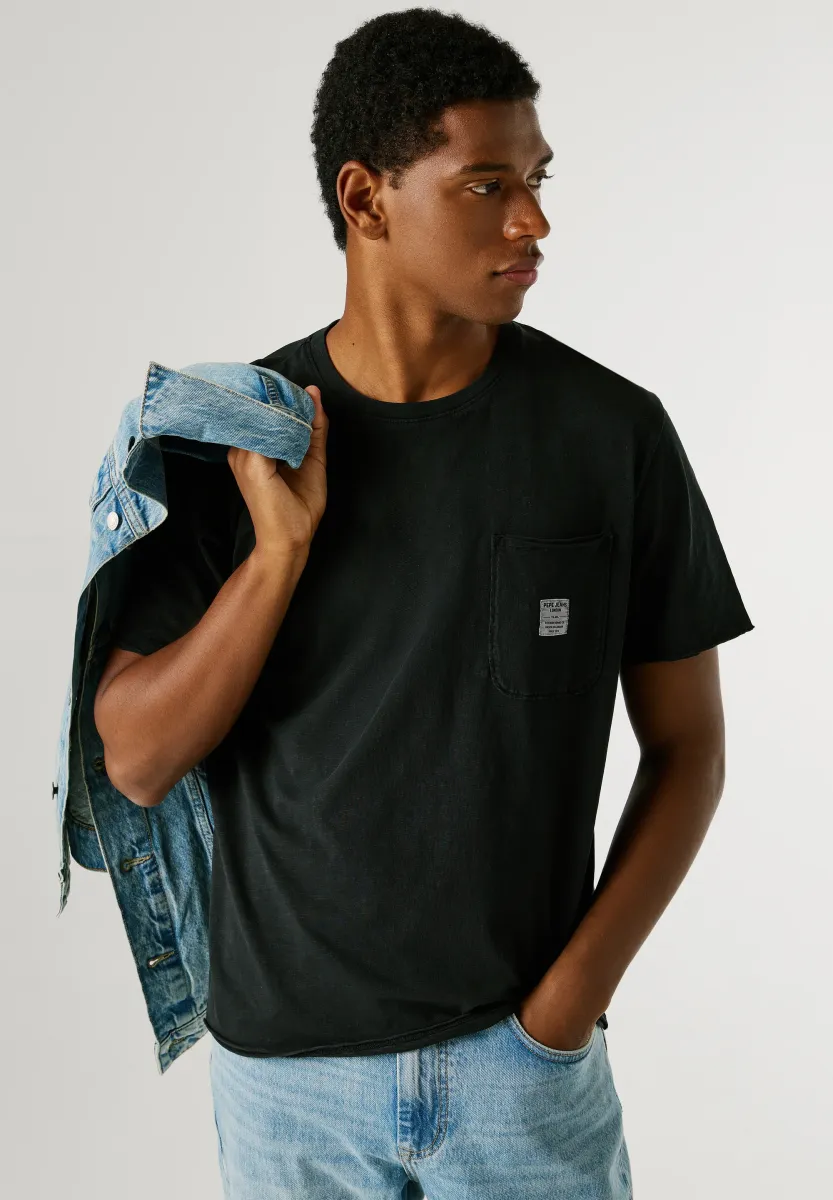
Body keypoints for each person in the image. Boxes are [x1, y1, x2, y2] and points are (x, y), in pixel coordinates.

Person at [93, 8, 754, 1198]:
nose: (532, 219)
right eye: (487, 183)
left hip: (522, 1075)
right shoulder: (230, 444)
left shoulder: (610, 434)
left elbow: (688, 750)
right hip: (286, 1089)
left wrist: (560, 1015)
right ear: (365, 200)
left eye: (537, 178)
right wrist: (277, 556)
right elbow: (135, 761)